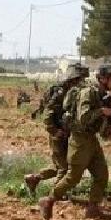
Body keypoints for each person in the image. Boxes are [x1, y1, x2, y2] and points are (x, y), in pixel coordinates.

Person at [38, 64, 111, 220]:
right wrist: (101, 111)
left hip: (91, 139)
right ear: (103, 79)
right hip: (80, 140)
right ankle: (48, 200)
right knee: (73, 177)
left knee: (102, 175)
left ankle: (93, 208)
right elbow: (83, 118)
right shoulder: (88, 93)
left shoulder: (103, 94)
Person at [24, 63, 89, 195]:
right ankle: (54, 196)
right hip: (58, 134)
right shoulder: (60, 92)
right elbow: (49, 112)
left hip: (66, 132)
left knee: (62, 165)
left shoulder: (72, 91)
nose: (82, 82)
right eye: (80, 79)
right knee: (64, 168)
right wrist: (54, 130)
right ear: (73, 79)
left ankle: (34, 178)